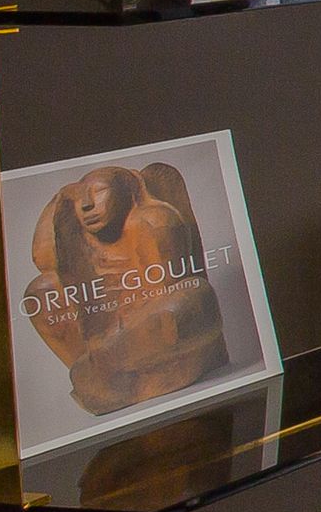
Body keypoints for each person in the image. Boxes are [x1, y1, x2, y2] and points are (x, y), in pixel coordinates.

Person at [23, 165, 228, 416]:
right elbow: (42, 260)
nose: (86, 204)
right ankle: (103, 378)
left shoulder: (152, 219)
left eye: (99, 191)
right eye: (78, 199)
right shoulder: (78, 233)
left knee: (192, 299)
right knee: (41, 291)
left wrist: (114, 347)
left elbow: (166, 299)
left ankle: (96, 371)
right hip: (118, 344)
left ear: (125, 192)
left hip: (158, 345)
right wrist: (62, 198)